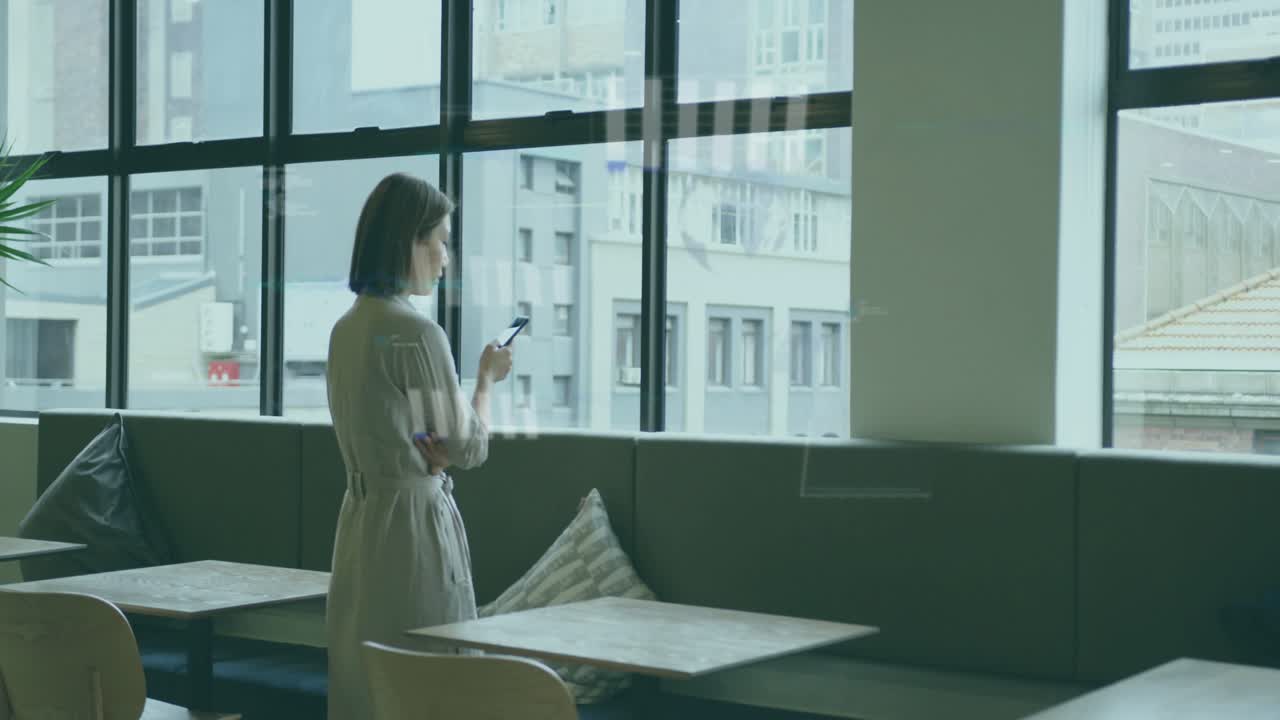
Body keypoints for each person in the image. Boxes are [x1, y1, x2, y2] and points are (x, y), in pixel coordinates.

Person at [324, 173, 513, 720]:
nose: (445, 258)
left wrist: (430, 446)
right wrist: (485, 382)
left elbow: (394, 423)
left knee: (368, 681)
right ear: (411, 241)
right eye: (442, 241)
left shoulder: (347, 327)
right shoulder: (416, 332)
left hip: (361, 523)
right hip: (412, 526)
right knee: (429, 680)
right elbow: (468, 448)